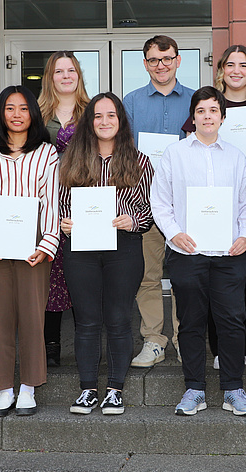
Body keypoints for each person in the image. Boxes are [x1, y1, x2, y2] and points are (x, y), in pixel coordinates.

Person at [152, 86, 246, 416]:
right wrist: (174, 234)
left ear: (223, 117)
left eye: (213, 110)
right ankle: (194, 389)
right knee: (191, 322)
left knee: (232, 322)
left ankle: (233, 389)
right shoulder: (175, 154)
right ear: (193, 117)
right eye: (201, 111)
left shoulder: (236, 157)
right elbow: (161, 202)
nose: (207, 116)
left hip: (229, 254)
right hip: (187, 253)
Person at [182, 44, 246, 371]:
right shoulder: (207, 104)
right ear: (221, 69)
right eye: (230, 65)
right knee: (216, 278)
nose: (236, 70)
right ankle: (221, 348)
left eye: (243, 65)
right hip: (211, 207)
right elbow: (190, 147)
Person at [0, 85, 59, 418]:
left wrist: (47, 242)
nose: (17, 114)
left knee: (32, 314)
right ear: (0, 113)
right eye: (9, 108)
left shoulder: (47, 153)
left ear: (33, 113)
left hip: (33, 235)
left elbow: (50, 200)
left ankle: (29, 387)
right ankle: (3, 388)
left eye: (23, 108)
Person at [59, 92, 154, 415]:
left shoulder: (139, 161)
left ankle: (114, 389)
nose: (104, 121)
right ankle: (87, 390)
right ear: (89, 121)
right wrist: (65, 223)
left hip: (123, 247)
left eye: (111, 115)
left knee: (118, 319)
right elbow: (60, 204)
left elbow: (150, 211)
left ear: (121, 121)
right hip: (81, 247)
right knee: (86, 322)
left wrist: (133, 220)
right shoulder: (71, 159)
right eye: (98, 116)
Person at [123, 35, 194, 367]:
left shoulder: (197, 101)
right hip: (146, 201)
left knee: (184, 275)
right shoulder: (132, 103)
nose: (161, 65)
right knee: (148, 274)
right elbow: (123, 153)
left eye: (167, 59)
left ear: (178, 60)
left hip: (186, 205)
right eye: (154, 60)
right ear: (145, 63)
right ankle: (154, 339)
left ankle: (184, 338)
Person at [37, 50, 91, 367]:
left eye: (71, 70)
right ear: (51, 77)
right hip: (46, 202)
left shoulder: (92, 112)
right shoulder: (38, 115)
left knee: (84, 272)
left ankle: (87, 341)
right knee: (50, 272)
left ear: (78, 75)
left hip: (86, 203)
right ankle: (52, 343)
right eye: (59, 71)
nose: (66, 75)